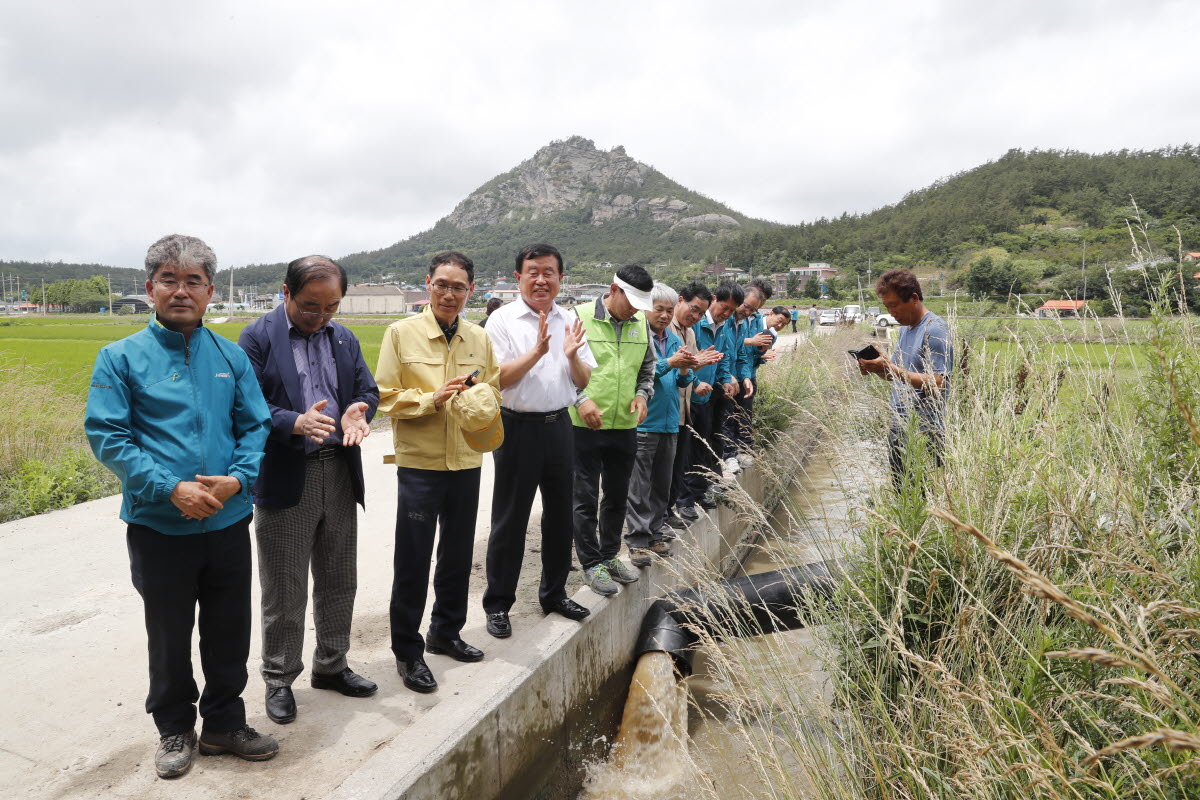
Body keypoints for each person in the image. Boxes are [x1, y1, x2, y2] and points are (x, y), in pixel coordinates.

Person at [85, 234, 277, 779]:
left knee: (229, 627)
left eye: (193, 280)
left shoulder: (230, 356)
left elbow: (255, 426)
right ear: (150, 289)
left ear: (210, 291)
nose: (181, 290)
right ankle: (174, 728)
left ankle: (224, 722)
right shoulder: (119, 357)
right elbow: (109, 435)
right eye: (169, 279)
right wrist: (171, 487)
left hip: (227, 521)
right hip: (159, 524)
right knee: (168, 632)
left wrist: (236, 483)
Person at [237, 256, 380, 725]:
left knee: (340, 577)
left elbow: (367, 389)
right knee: (286, 586)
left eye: (331, 307)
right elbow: (248, 404)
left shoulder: (343, 336)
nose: (321, 317)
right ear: (285, 292)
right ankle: (279, 678)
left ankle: (332, 665)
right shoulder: (258, 337)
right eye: (310, 307)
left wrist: (360, 410)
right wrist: (293, 422)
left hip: (338, 467)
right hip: (286, 472)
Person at [375, 251, 502, 693]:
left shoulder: (478, 338)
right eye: (442, 284)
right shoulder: (400, 334)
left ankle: (445, 632)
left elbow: (495, 388)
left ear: (471, 290)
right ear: (427, 283)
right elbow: (384, 397)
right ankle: (407, 652)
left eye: (459, 286)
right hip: (421, 464)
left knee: (457, 554)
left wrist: (481, 401)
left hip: (467, 460)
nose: (450, 293)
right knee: (412, 558)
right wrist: (431, 400)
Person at [482, 243, 596, 639]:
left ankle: (554, 593)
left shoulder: (570, 319)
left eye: (549, 272)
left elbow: (583, 381)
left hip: (559, 427)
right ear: (519, 277)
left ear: (561, 277)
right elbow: (497, 379)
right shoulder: (501, 320)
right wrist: (536, 352)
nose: (541, 279)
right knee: (510, 519)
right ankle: (498, 603)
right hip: (516, 429)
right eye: (533, 272)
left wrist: (571, 356)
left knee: (561, 514)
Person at [570, 264, 657, 596]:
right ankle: (591, 563)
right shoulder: (578, 317)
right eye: (630, 300)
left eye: (640, 303)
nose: (635, 309)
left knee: (618, 495)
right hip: (583, 423)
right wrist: (581, 400)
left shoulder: (640, 325)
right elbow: (563, 367)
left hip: (624, 424)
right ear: (613, 289)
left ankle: (609, 555)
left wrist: (641, 395)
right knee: (585, 497)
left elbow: (647, 368)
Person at [623, 283, 699, 566]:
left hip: (670, 423)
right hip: (645, 423)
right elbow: (641, 376)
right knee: (639, 485)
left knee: (662, 484)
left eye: (669, 310)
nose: (665, 316)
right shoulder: (638, 338)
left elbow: (681, 382)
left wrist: (688, 369)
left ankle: (655, 532)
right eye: (659, 310)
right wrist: (671, 361)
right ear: (646, 309)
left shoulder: (676, 341)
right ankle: (637, 539)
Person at [857, 269, 953, 490]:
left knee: (925, 496)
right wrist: (877, 369)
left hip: (924, 429)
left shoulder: (935, 329)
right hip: (899, 425)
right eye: (887, 307)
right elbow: (900, 376)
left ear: (914, 298)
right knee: (903, 494)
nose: (891, 313)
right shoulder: (903, 330)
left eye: (895, 305)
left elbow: (940, 382)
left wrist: (892, 368)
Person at [677, 281, 742, 520]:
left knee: (703, 446)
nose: (725, 314)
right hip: (688, 393)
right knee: (685, 450)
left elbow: (722, 358)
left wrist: (726, 378)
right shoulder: (696, 323)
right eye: (724, 307)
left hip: (707, 395)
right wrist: (695, 379)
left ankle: (698, 491)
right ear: (714, 299)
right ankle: (683, 499)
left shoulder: (724, 327)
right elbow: (687, 359)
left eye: (731, 311)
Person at [662, 282, 721, 531]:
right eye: (693, 309)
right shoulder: (666, 329)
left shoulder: (691, 332)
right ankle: (659, 517)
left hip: (684, 408)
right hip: (663, 410)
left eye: (700, 313)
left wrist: (696, 382)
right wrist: (692, 364)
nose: (695, 316)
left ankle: (668, 510)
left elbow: (689, 367)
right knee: (661, 469)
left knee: (677, 464)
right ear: (681, 300)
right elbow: (667, 365)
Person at [720, 280, 773, 477]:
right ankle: (726, 457)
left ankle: (734, 453)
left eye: (754, 309)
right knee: (724, 418)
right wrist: (729, 375)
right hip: (722, 378)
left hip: (739, 376)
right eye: (747, 306)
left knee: (738, 415)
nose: (748, 312)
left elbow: (741, 353)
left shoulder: (742, 322)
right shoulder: (724, 320)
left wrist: (745, 376)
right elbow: (721, 350)